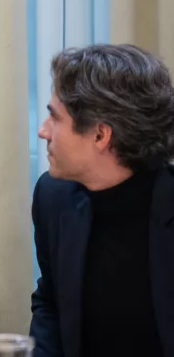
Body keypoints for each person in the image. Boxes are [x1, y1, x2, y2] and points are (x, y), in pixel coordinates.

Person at [30, 44, 174, 357]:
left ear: (100, 135)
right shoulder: (52, 198)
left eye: (54, 118)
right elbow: (50, 303)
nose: (43, 132)